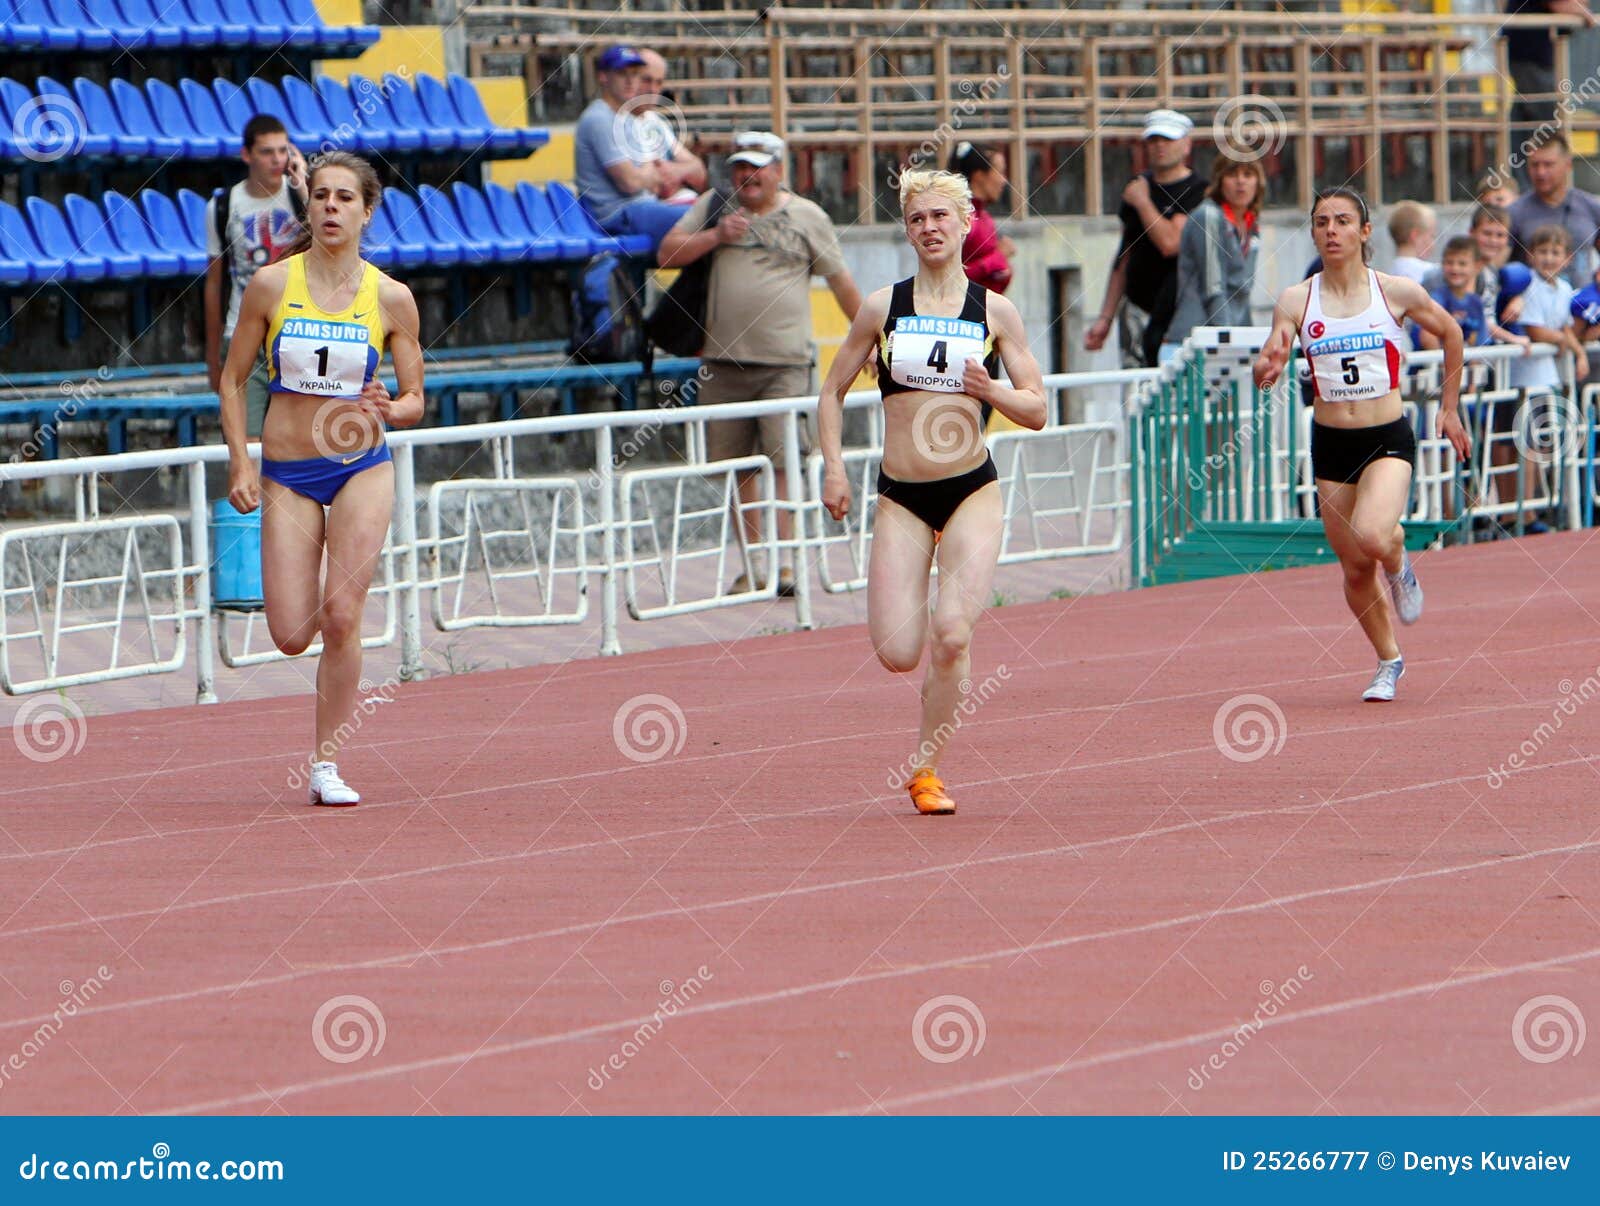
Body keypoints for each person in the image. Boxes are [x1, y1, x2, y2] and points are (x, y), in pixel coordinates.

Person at [816, 169, 1046, 814]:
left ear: (965, 222)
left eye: (941, 216)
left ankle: (926, 770)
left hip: (971, 488)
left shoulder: (993, 311)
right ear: (908, 230)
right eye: (917, 219)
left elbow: (1037, 408)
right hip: (902, 494)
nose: (930, 228)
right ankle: (923, 727)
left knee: (951, 634)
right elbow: (830, 390)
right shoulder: (882, 306)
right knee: (898, 652)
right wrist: (833, 468)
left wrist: (992, 390)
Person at [221, 152, 424, 806]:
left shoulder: (391, 297)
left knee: (342, 615)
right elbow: (230, 379)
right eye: (323, 198)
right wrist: (241, 460)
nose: (332, 208)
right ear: (307, 207)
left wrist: (393, 407)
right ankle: (323, 731)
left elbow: (417, 398)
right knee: (290, 634)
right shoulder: (271, 287)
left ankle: (326, 765)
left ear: (368, 211)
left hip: (361, 466)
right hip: (287, 469)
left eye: (345, 199)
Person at [1253, 188, 1470, 703]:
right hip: (1330, 442)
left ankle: (1399, 562)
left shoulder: (1394, 291)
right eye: (1322, 221)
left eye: (1343, 221)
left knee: (1374, 536)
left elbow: (1452, 331)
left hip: (1386, 436)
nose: (1331, 230)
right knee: (1352, 567)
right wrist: (1266, 371)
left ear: (1364, 232)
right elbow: (1269, 364)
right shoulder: (1295, 299)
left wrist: (1449, 405)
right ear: (1312, 231)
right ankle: (1388, 662)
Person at [657, 131, 861, 596]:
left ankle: (788, 563)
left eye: (756, 167)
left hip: (784, 365)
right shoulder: (715, 204)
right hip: (721, 364)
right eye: (738, 167)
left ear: (779, 170)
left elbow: (842, 283)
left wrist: (869, 343)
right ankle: (754, 566)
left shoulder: (808, 216)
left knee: (783, 461)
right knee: (738, 468)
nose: (746, 176)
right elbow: (666, 253)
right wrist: (715, 235)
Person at [205, 114, 308, 439]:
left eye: (282, 150)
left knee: (296, 443)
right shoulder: (224, 205)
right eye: (267, 152)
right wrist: (211, 351)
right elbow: (214, 281)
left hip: (296, 328)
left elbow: (333, 244)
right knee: (244, 441)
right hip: (242, 328)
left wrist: (304, 183)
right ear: (247, 155)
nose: (277, 159)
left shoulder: (301, 198)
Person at [1084, 108, 1206, 367]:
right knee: (1135, 385)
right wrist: (1106, 317)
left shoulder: (1198, 191)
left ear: (1186, 145)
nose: (1160, 146)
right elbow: (1125, 255)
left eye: (1168, 140)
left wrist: (1142, 203)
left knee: (1175, 384)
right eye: (1153, 140)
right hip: (1138, 307)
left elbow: (1170, 243)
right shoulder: (1137, 186)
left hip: (1179, 309)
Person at [1510, 224, 1589, 531]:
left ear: (1567, 258)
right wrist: (1560, 341)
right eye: (1542, 252)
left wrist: (1578, 353)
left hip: (1550, 377)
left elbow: (1566, 327)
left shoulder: (1566, 288)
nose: (1548, 258)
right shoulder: (1529, 287)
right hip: (1527, 378)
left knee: (1545, 441)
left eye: (1555, 253)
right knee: (1526, 442)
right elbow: (1536, 329)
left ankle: (1547, 504)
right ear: (1531, 256)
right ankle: (1526, 510)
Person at [574, 45, 689, 251]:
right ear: (603, 77)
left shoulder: (628, 118)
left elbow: (652, 181)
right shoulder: (599, 118)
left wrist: (647, 174)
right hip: (617, 217)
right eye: (621, 74)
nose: (630, 81)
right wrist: (648, 173)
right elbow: (630, 183)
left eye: (635, 74)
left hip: (642, 208)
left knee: (715, 217)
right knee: (704, 219)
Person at [1164, 148, 1264, 354]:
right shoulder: (1208, 216)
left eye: (1248, 174)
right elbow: (1213, 287)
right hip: (1194, 344)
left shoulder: (1252, 224)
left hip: (1230, 343)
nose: (1240, 182)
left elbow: (1242, 293)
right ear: (1219, 181)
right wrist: (1228, 341)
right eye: (1232, 174)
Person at [1503, 0, 1596, 171]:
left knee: (1524, 119)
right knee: (1547, 127)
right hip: (1530, 54)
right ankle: (1528, 184)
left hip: (1533, 55)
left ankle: (1518, 182)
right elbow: (1560, 4)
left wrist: (1579, 8)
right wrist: (1583, 12)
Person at [1508, 133, 1600, 286]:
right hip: (1534, 304)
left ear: (1568, 165)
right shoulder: (1514, 213)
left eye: (1548, 164)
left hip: (1580, 304)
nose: (1541, 172)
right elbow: (1494, 265)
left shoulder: (1591, 208)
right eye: (1534, 165)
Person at [634, 49, 707, 205]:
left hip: (672, 203)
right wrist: (677, 174)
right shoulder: (617, 123)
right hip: (644, 210)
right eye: (646, 80)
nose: (653, 90)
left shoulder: (654, 120)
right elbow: (650, 186)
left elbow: (699, 171)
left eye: (659, 82)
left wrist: (674, 171)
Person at [949, 141, 1014, 294]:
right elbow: (948, 281)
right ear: (979, 176)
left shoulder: (984, 217)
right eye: (1000, 172)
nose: (1004, 180)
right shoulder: (961, 220)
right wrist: (997, 258)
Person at [1387, 200, 1437, 284]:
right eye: (1432, 236)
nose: (1433, 244)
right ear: (1415, 235)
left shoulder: (1389, 274)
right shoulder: (1432, 274)